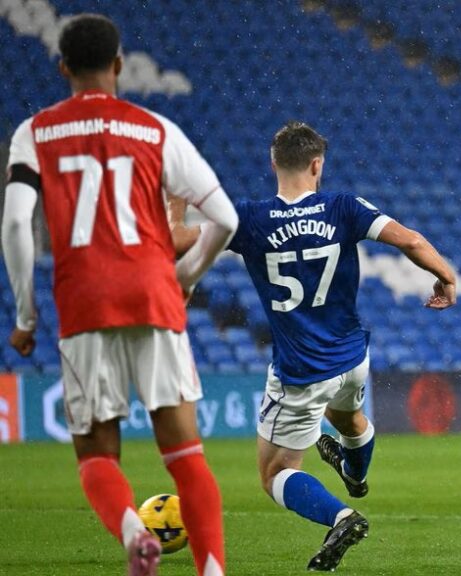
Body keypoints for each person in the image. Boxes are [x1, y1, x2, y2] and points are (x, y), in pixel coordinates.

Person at [1, 14, 237, 576]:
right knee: (186, 456)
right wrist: (183, 279)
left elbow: (14, 224)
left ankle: (135, 534)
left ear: (63, 68)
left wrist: (26, 315)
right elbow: (224, 219)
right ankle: (213, 571)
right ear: (119, 65)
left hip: (85, 304)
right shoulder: (156, 130)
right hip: (154, 296)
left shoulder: (34, 133)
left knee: (97, 455)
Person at [173, 121, 457, 571]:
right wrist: (446, 277)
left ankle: (342, 516)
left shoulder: (249, 219)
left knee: (275, 472)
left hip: (302, 372)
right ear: (317, 165)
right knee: (348, 418)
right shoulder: (344, 207)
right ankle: (355, 476)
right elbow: (411, 240)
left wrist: (174, 201)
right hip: (352, 357)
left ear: (273, 164)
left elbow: (178, 241)